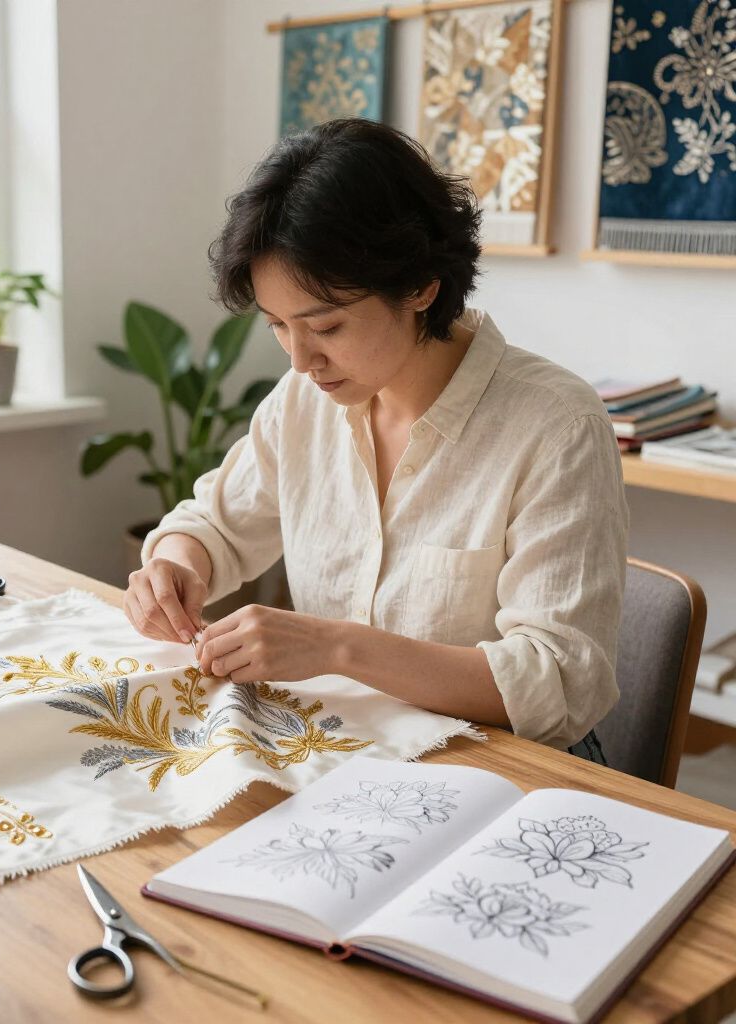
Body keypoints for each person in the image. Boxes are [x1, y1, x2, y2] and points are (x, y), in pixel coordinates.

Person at [125, 118, 628, 759]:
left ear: (420, 286)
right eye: (278, 324)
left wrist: (336, 647)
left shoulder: (556, 427)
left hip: (504, 769)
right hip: (350, 750)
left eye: (326, 327)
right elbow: (215, 525)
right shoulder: (307, 400)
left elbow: (557, 685)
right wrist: (173, 565)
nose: (300, 360)